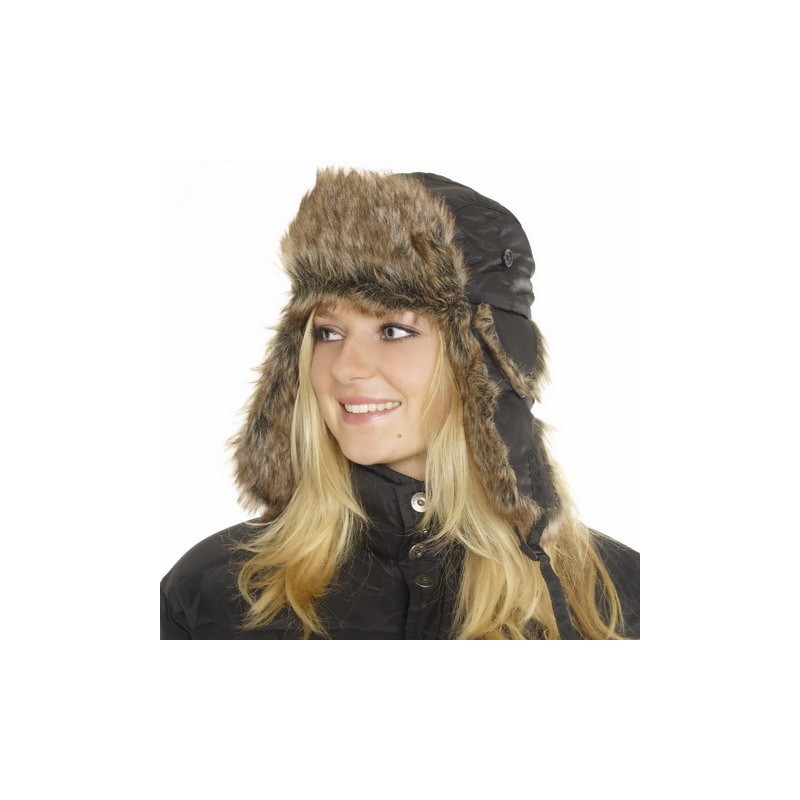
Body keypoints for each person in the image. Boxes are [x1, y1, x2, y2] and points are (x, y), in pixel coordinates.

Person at [160, 168, 640, 640]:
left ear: (487, 364)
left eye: (393, 330)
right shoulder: (213, 594)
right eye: (328, 332)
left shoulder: (622, 597)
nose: (345, 368)